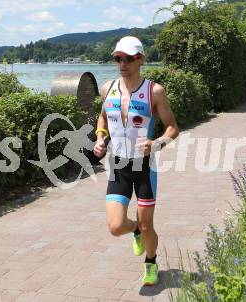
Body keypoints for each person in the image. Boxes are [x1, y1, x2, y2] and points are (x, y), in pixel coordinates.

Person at [93, 36, 179, 286]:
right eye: (118, 58)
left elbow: (173, 127)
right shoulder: (108, 88)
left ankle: (151, 261)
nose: (122, 63)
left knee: (147, 223)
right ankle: (134, 231)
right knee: (116, 226)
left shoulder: (154, 91)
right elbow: (102, 118)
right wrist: (101, 137)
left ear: (140, 59)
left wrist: (156, 143)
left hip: (144, 167)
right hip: (118, 165)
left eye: (128, 59)